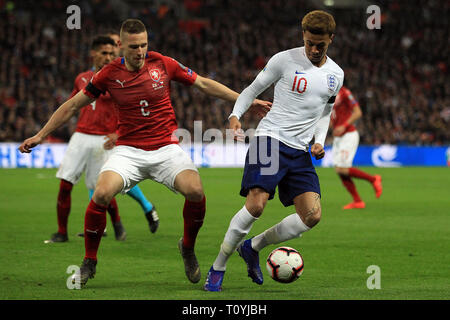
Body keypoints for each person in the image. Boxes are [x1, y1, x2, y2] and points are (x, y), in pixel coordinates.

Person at [19, 19, 271, 287]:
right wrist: (40, 134)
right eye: (133, 47)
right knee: (102, 193)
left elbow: (204, 84)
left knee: (196, 191)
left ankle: (187, 247)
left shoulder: (163, 63)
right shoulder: (107, 75)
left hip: (165, 148)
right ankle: (89, 261)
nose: (140, 52)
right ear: (120, 45)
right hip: (128, 150)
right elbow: (72, 106)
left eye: (144, 45)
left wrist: (246, 100)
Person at [204, 10, 344, 291]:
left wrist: (319, 140)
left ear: (331, 38)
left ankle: (253, 246)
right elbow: (252, 89)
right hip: (269, 139)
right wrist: (235, 115)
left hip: (299, 151)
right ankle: (218, 265)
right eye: (309, 44)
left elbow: (325, 112)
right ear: (302, 36)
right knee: (256, 205)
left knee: (312, 216)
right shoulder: (284, 60)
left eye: (321, 45)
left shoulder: (336, 74)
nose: (314, 50)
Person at [48, 35, 159, 244]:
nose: (107, 57)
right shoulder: (81, 78)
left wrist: (119, 133)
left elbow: (133, 109)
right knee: (65, 184)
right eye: (103, 53)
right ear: (93, 54)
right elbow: (71, 106)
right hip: (81, 136)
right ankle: (62, 232)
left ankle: (117, 224)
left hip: (104, 140)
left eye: (111, 53)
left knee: (103, 190)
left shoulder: (121, 80)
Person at [330, 85, 382, 209]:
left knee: (342, 168)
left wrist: (344, 125)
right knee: (339, 170)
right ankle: (357, 201)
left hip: (348, 134)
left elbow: (358, 112)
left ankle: (373, 179)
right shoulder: (325, 92)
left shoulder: (344, 92)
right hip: (338, 137)